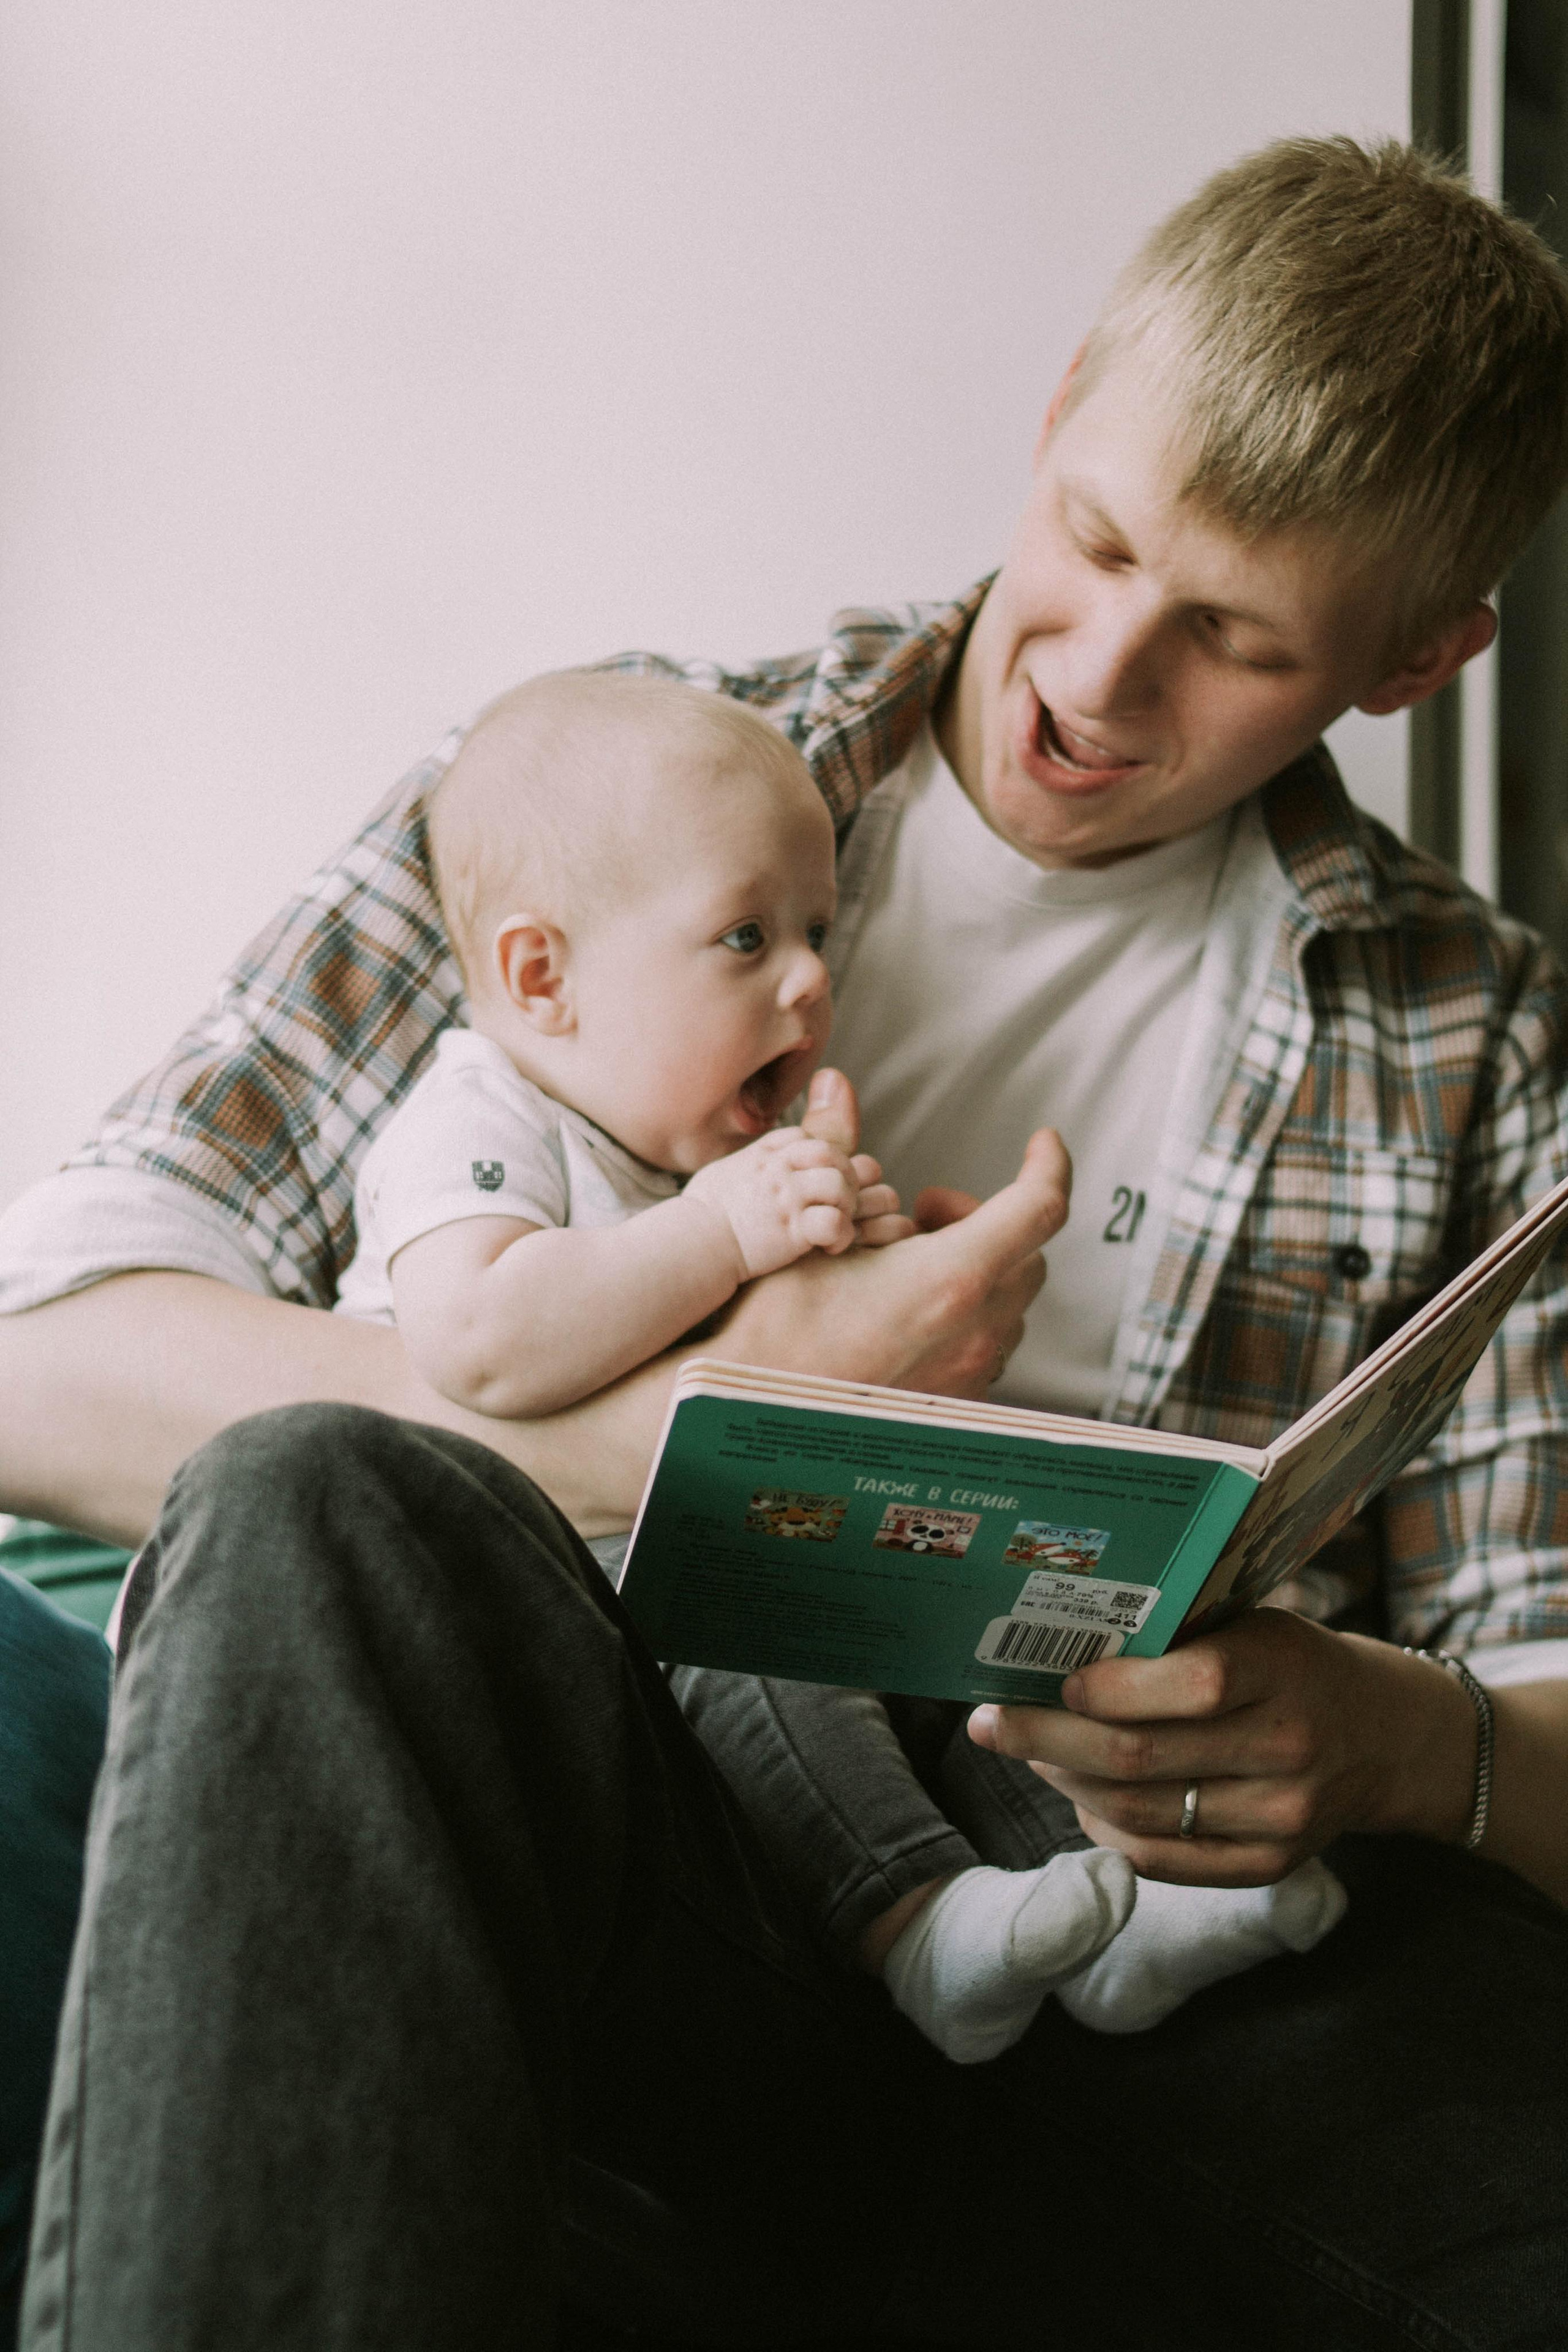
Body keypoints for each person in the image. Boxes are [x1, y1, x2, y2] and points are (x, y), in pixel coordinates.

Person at [6, 135, 1568, 2346]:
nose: (1104, 678)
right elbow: (45, 1358)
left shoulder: (1470, 1034)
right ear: (1050, 421)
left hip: (1149, 1966)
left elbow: (1547, 1693)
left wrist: (1391, 1742)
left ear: (1419, 662)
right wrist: (719, 1417)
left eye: (1233, 637)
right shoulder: (610, 786)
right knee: (312, 1503)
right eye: (1099, 540)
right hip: (651, 1891)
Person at [342, 665, 1347, 2066]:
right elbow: (485, 1341)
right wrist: (717, 1233)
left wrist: (849, 1271)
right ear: (541, 977)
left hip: (689, 1584)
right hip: (537, 1667)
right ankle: (915, 1925)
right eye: (746, 937)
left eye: (815, 929)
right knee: (764, 1635)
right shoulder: (475, 1120)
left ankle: (1122, 1909)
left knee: (963, 1638)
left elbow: (767, 1371)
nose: (813, 978)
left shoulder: (701, 1155)